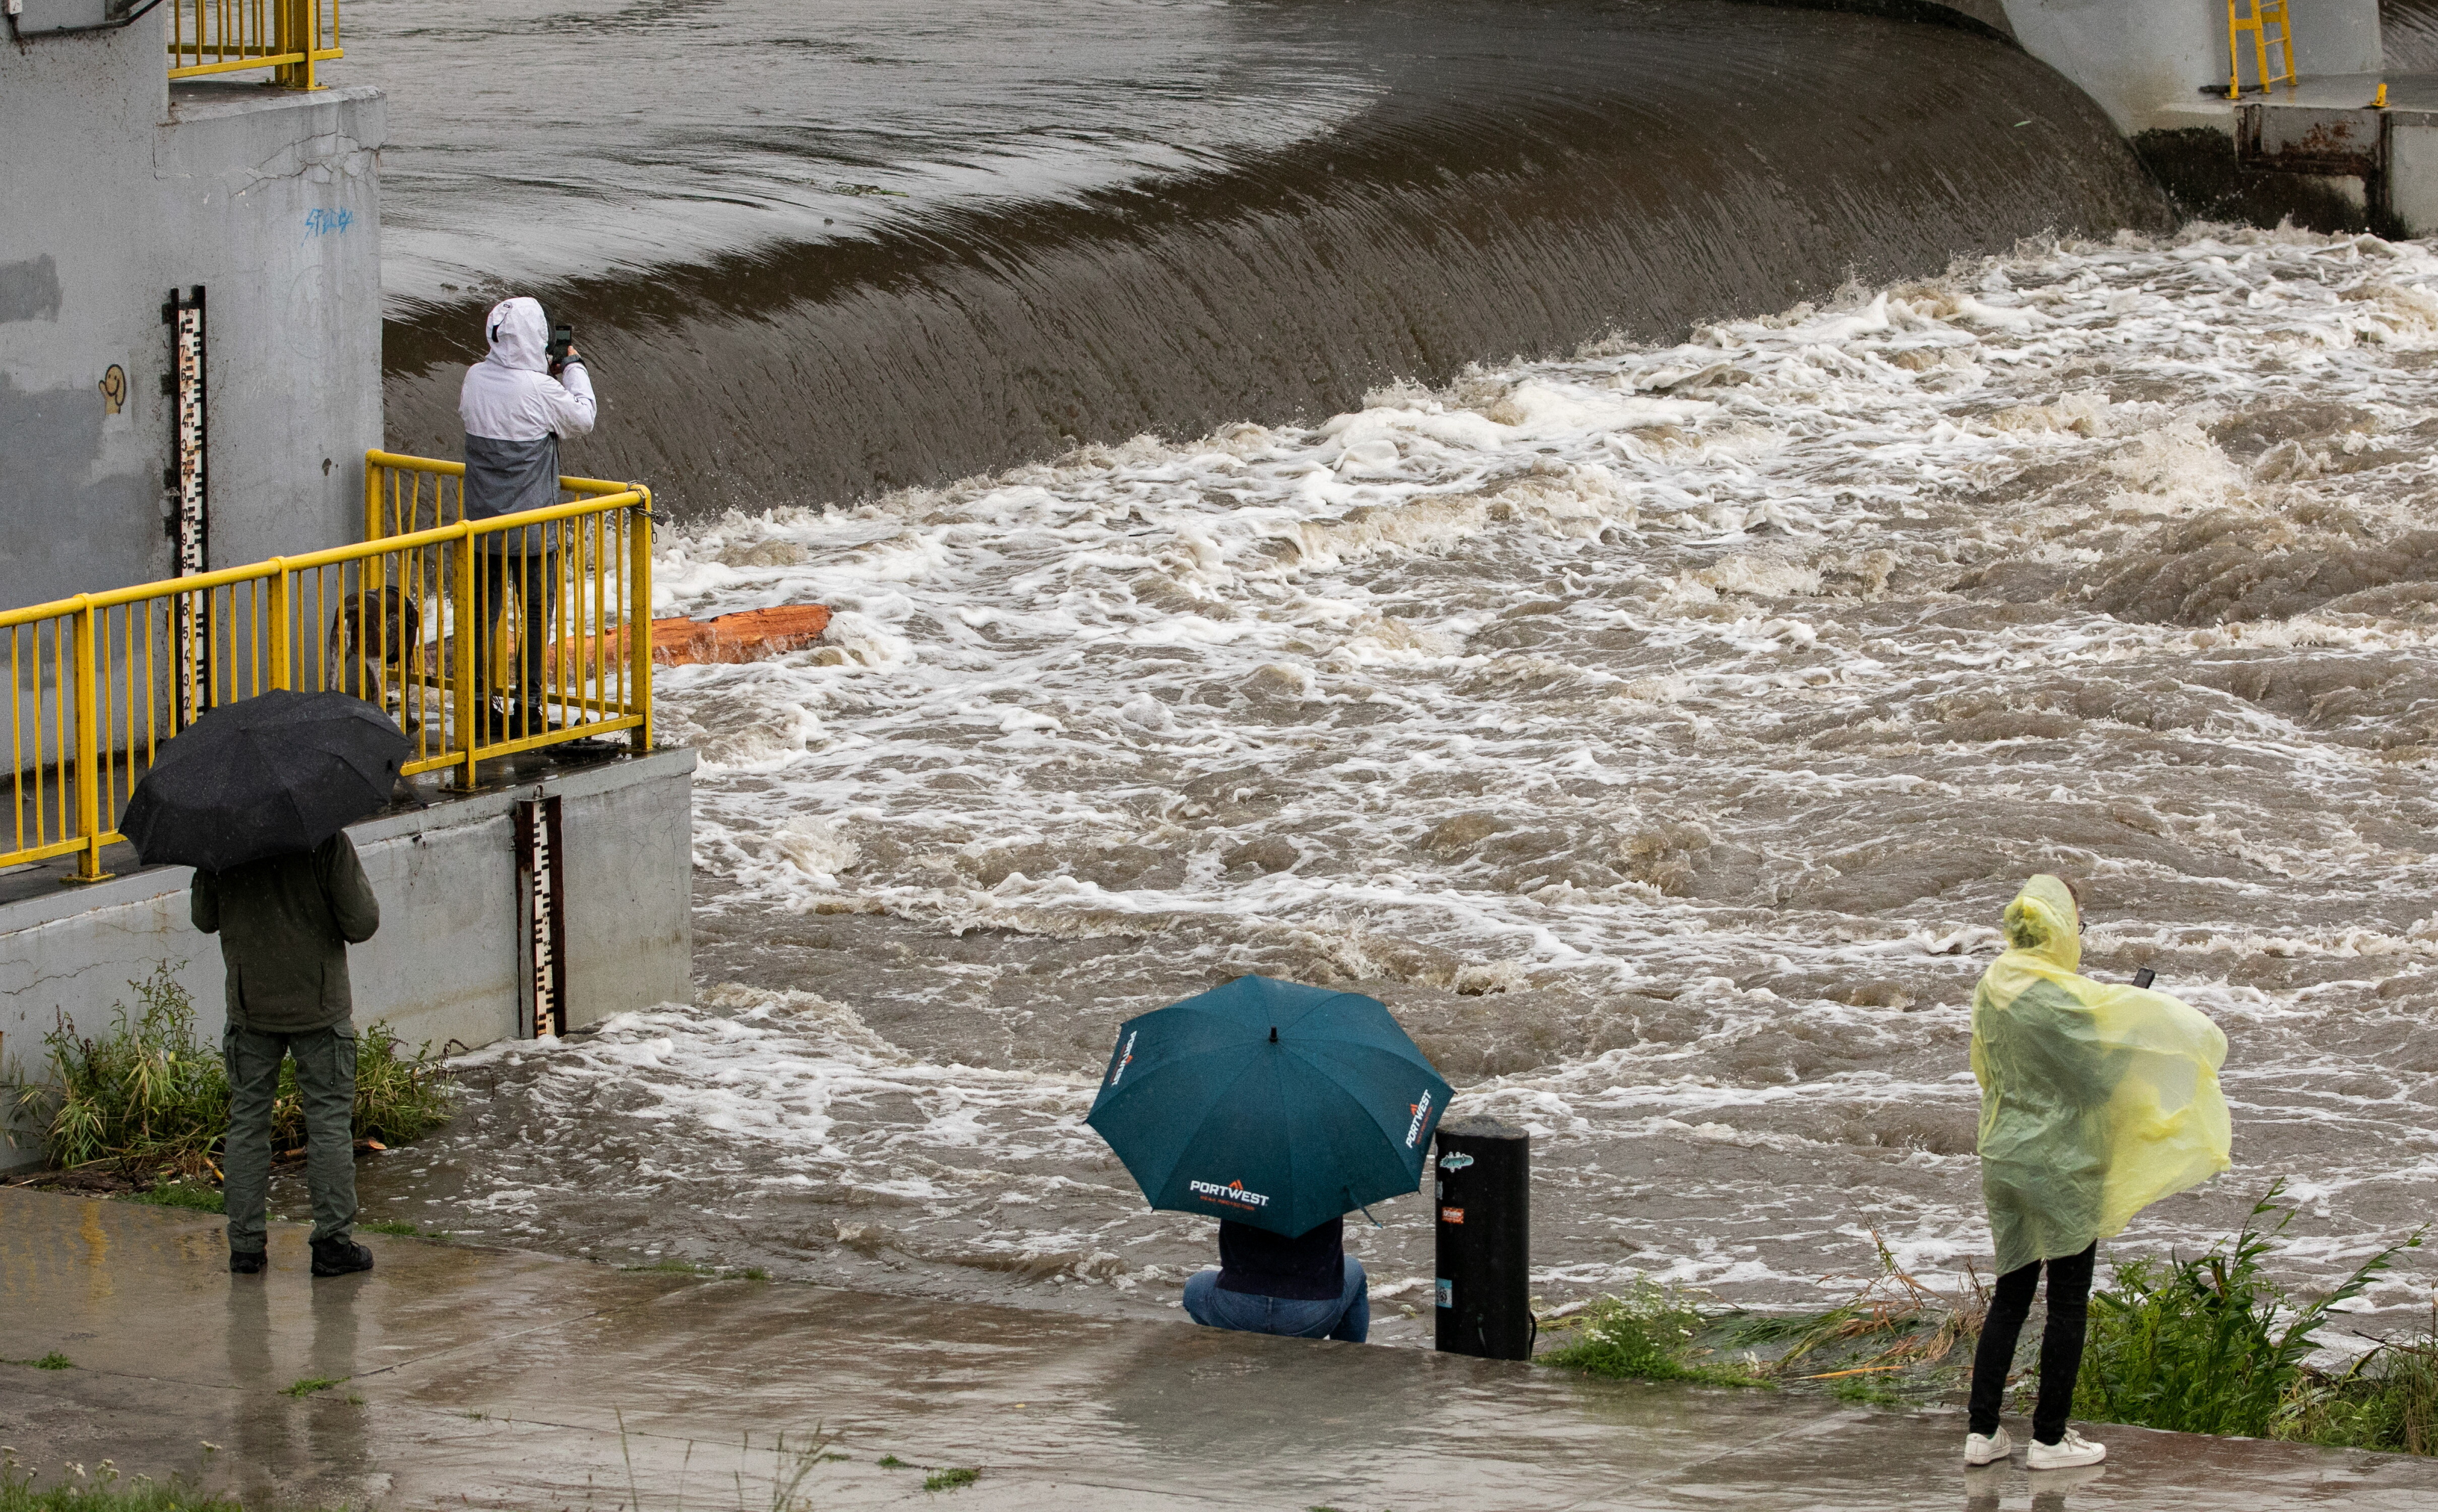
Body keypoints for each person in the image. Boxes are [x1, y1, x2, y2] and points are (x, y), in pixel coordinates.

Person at [1963, 875, 2230, 1471]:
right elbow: (2097, 1082)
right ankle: (2049, 1439)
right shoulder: (2068, 999)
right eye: (2078, 925)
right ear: (2060, 929)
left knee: (2010, 1294)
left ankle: (1982, 1432)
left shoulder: (1993, 984)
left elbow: (1986, 1065)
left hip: (2002, 1154)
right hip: (2062, 1164)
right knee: (2067, 1302)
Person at [192, 830, 382, 1278]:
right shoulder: (324, 837)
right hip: (318, 1001)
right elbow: (362, 922)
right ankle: (333, 1244)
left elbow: (204, 918)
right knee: (330, 1123)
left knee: (247, 1123)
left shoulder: (221, 838)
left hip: (250, 1003)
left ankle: (245, 1248)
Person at [458, 295, 597, 741]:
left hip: (482, 529)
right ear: (536, 338)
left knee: (486, 615)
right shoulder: (540, 390)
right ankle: (531, 704)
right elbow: (584, 418)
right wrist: (573, 366)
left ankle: (481, 703)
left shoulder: (474, 379)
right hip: (533, 533)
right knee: (536, 615)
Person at [1182, 1215, 1368, 1343]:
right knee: (1354, 1270)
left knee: (1195, 1286)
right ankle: (1348, 1357)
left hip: (1237, 1312)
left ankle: (1235, 1345)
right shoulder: (1324, 1183)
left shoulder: (1238, 1181)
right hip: (1309, 1316)